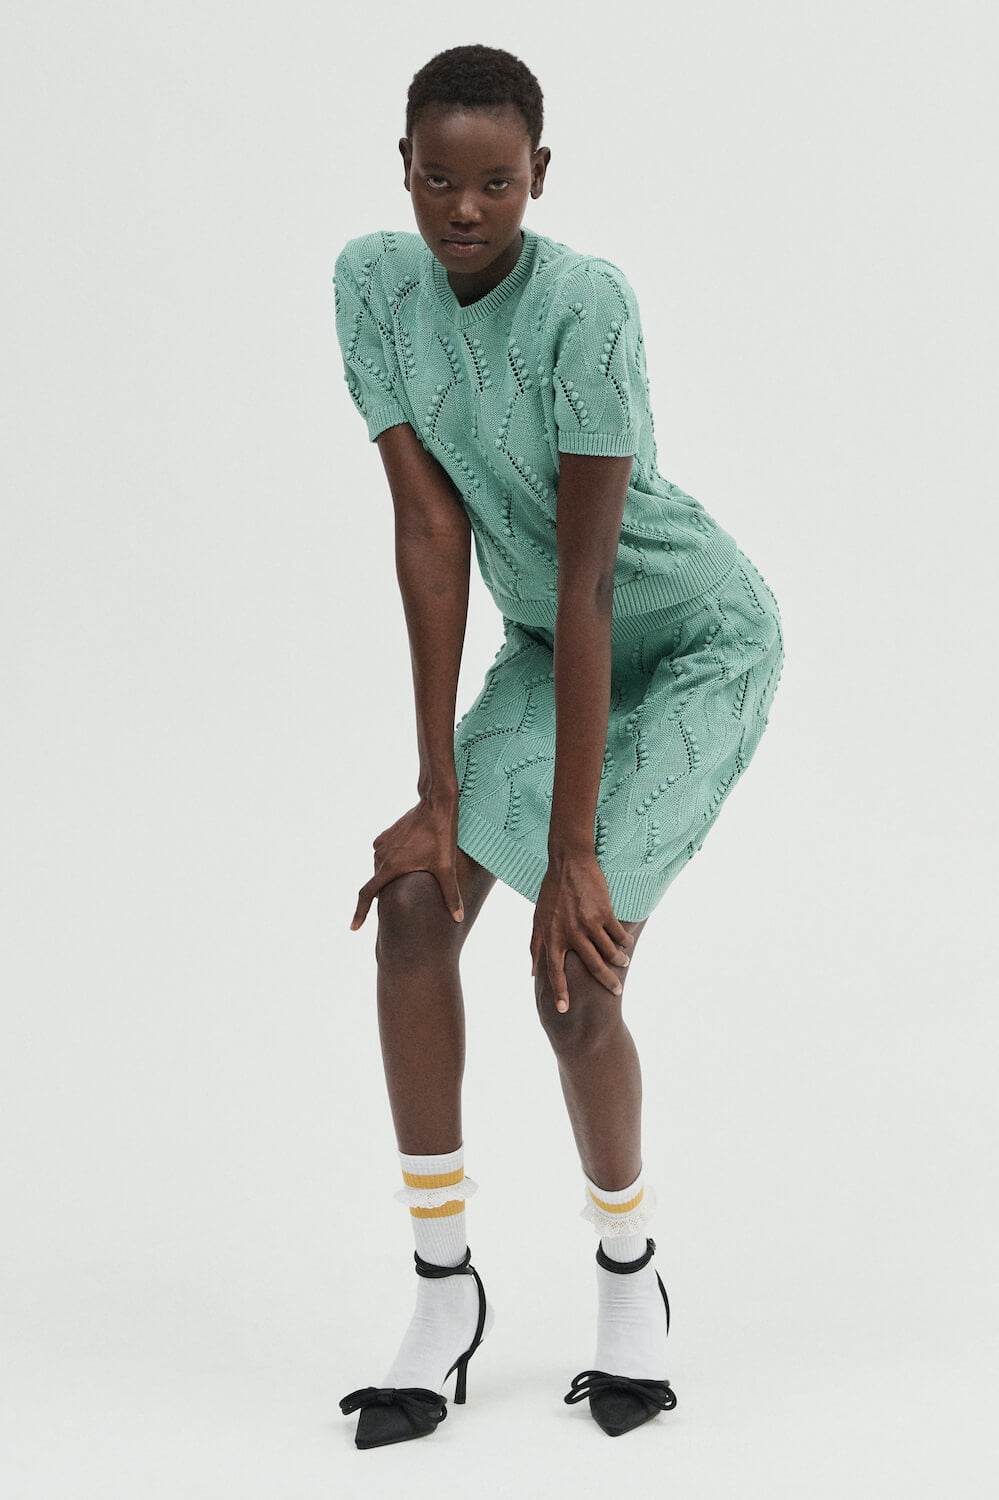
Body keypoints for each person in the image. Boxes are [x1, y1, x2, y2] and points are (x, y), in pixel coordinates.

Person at [332, 43, 785, 1448]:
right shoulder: (371, 285)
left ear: (539, 175)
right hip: (550, 647)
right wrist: (437, 790)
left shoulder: (587, 304)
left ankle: (629, 1277)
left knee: (574, 980)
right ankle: (441, 1291)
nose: (464, 209)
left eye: (496, 182)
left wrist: (572, 851)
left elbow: (590, 581)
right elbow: (430, 533)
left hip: (690, 641)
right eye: (438, 179)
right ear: (404, 169)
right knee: (417, 908)